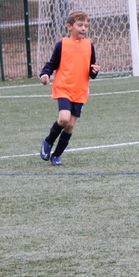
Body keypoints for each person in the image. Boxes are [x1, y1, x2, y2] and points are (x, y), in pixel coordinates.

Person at [38, 10, 99, 166]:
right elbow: (52, 64)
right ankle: (48, 141)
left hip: (80, 90)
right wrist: (45, 74)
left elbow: (92, 71)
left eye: (86, 26)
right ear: (69, 27)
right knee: (64, 119)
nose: (83, 28)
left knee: (70, 125)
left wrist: (94, 71)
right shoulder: (62, 44)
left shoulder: (89, 45)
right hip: (63, 87)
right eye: (80, 25)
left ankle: (56, 156)